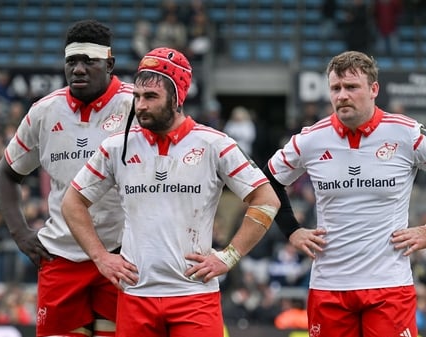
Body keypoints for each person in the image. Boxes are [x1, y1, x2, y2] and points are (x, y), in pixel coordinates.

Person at [61, 47, 281, 337]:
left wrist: (228, 256)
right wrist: (100, 256)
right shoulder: (116, 146)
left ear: (177, 98)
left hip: (195, 298)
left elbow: (266, 199)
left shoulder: (214, 143)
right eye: (137, 97)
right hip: (135, 295)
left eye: (151, 97)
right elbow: (72, 202)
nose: (140, 106)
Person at [263, 50, 426, 336]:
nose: (342, 96)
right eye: (336, 88)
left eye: (351, 87)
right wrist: (292, 231)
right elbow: (267, 182)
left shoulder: (407, 134)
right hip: (329, 288)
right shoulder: (311, 139)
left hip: (388, 286)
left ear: (374, 89)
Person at [0, 19, 133, 337]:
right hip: (61, 257)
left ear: (109, 64)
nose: (79, 69)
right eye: (72, 61)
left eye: (89, 61)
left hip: (121, 256)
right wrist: (20, 234)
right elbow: (5, 173)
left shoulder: (134, 107)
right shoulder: (45, 111)